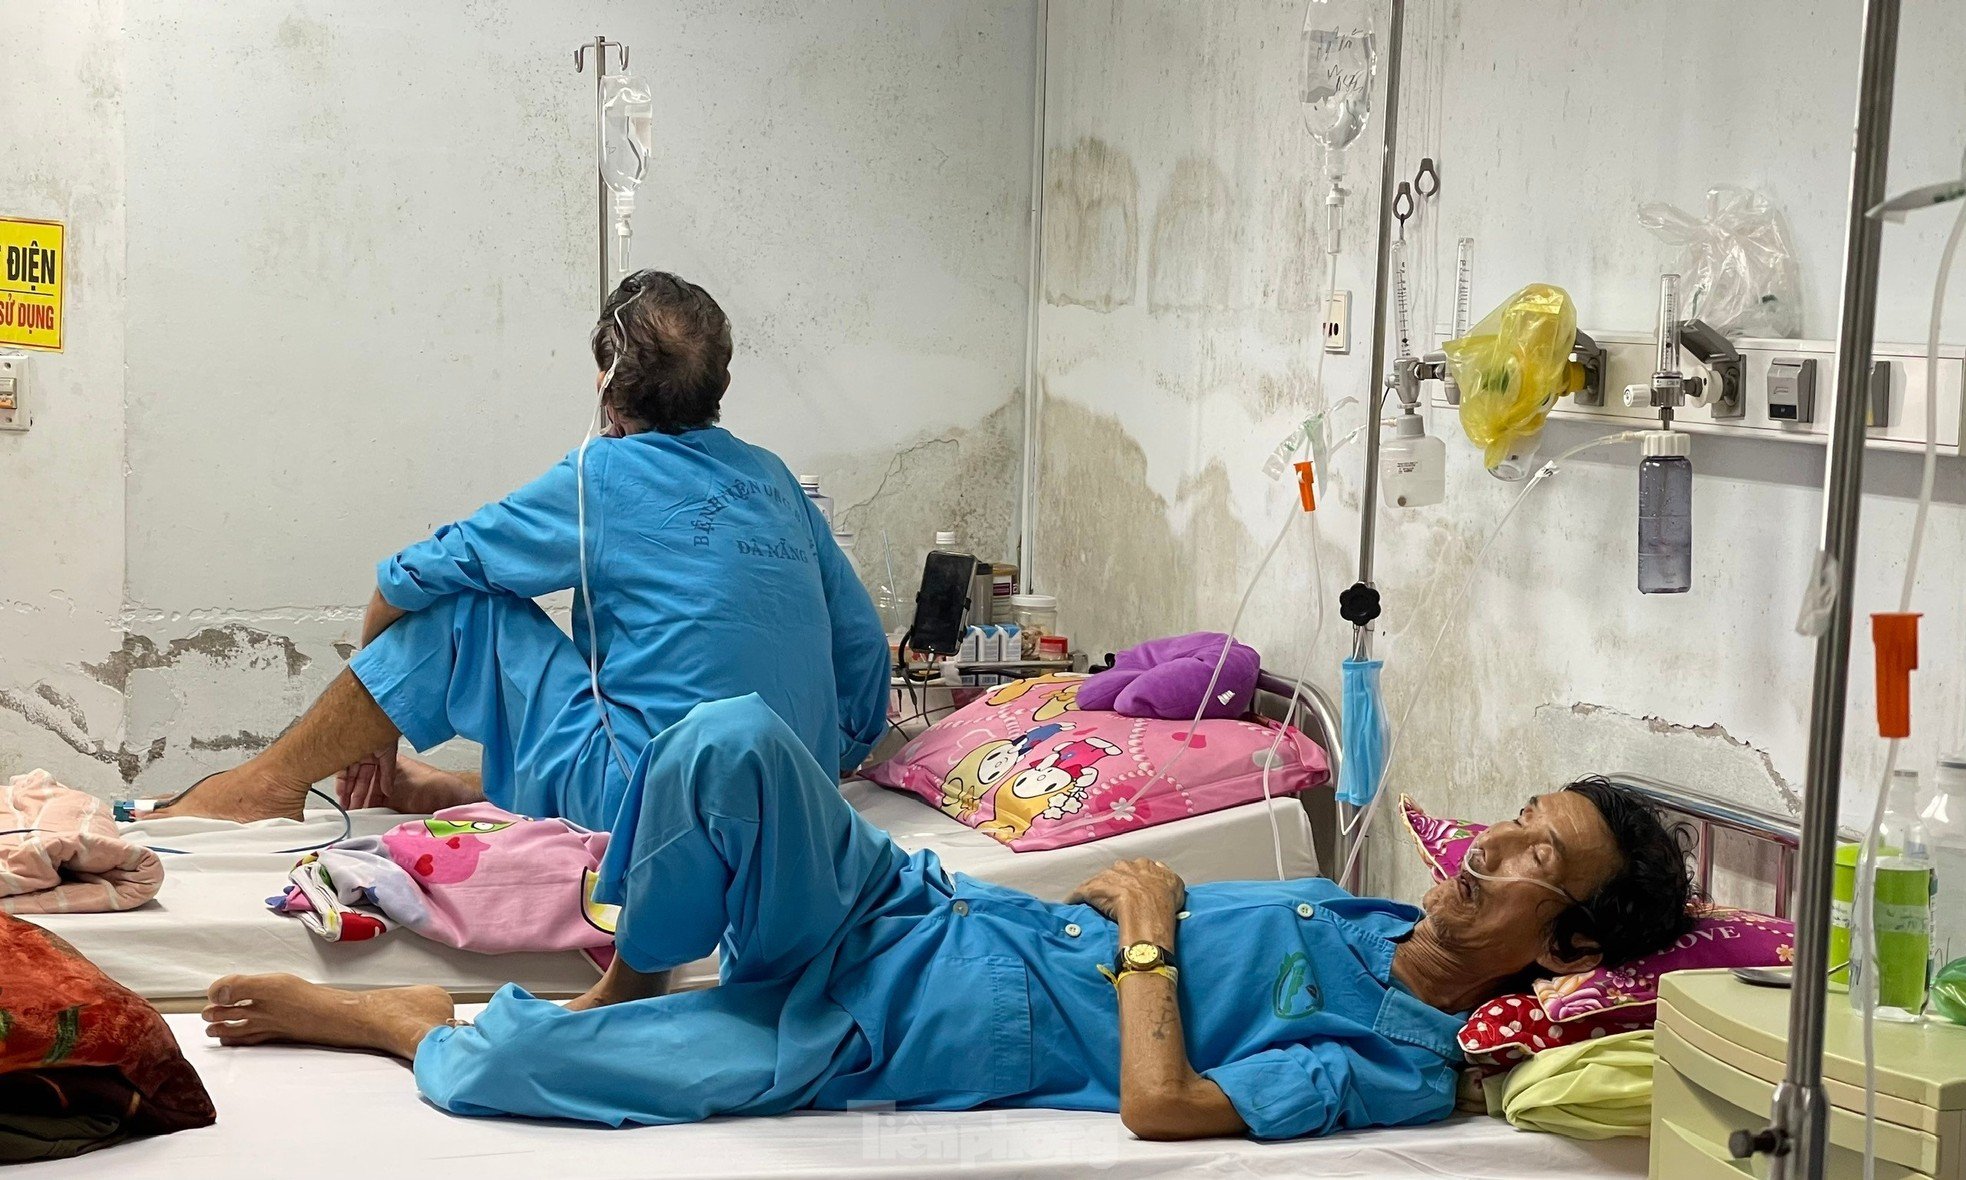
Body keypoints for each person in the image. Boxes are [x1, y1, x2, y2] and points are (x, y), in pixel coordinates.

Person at [202, 696, 1695, 1141]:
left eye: (1527, 863)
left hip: (895, 1026)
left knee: (513, 1079)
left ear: (1565, 950)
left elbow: (1162, 1106)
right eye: (1504, 823)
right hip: (915, 910)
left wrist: (1151, 933)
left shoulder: (1394, 1060)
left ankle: (397, 1024)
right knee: (726, 737)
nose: (1479, 852)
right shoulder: (1355, 913)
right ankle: (632, 966)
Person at [155, 271, 891, 845]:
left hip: (645, 805)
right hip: (793, 801)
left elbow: (406, 579)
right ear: (721, 384)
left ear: (607, 386)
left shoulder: (601, 476)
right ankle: (456, 789)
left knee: (465, 613)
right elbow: (861, 658)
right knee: (630, 713)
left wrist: (373, 731)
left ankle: (267, 783)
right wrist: (834, 757)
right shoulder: (776, 481)